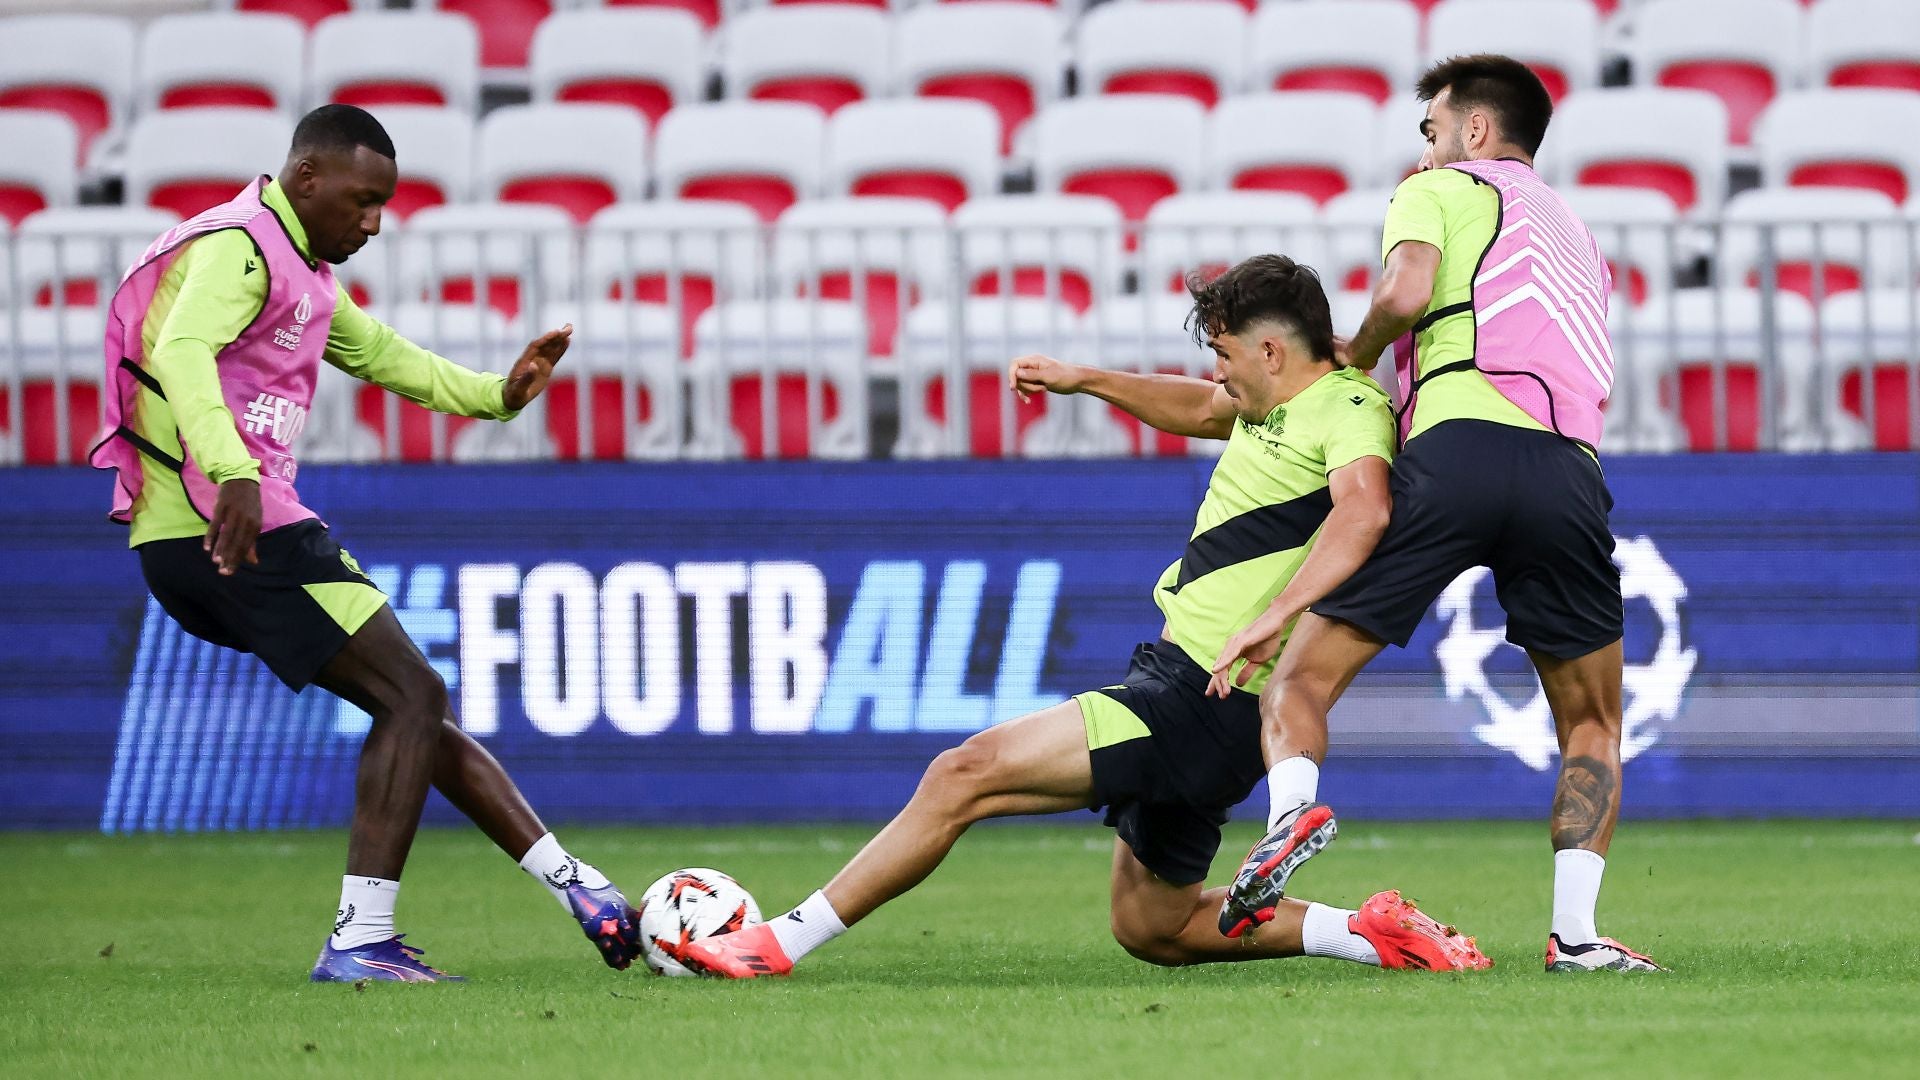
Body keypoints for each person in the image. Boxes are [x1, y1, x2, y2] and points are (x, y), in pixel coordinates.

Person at [676, 255, 1491, 979]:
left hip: (1198, 698)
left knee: (964, 773)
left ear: (1271, 350)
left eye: (1225, 354)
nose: (1219, 374)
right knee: (1154, 926)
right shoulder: (1268, 406)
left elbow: (1364, 511)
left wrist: (1277, 615)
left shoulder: (1350, 408)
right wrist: (1087, 379)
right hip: (1194, 693)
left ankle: (777, 941)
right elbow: (1199, 407)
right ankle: (1368, 932)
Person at [89, 105, 643, 983]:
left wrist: (498, 394)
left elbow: (383, 354)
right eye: (362, 200)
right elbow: (183, 350)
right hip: (228, 521)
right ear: (306, 178)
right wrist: (232, 471)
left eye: (384, 205)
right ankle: (358, 941)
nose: (374, 222)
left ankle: (584, 892)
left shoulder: (298, 272)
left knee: (413, 707)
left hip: (203, 529)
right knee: (414, 695)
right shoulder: (239, 248)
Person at [1207, 56, 1663, 974]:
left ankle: (1291, 818)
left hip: (1454, 449)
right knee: (1592, 723)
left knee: (1298, 682)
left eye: (1432, 127)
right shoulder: (1582, 236)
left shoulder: (1439, 188)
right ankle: (1575, 937)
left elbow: (1405, 293)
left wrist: (1356, 355)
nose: (1426, 145)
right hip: (1566, 471)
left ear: (1476, 132)